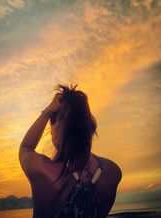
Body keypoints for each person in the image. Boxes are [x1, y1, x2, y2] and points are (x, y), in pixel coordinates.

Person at [19, 84, 122, 218]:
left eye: (52, 123)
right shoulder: (112, 173)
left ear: (56, 128)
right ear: (88, 126)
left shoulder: (44, 171)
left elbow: (25, 147)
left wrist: (47, 112)